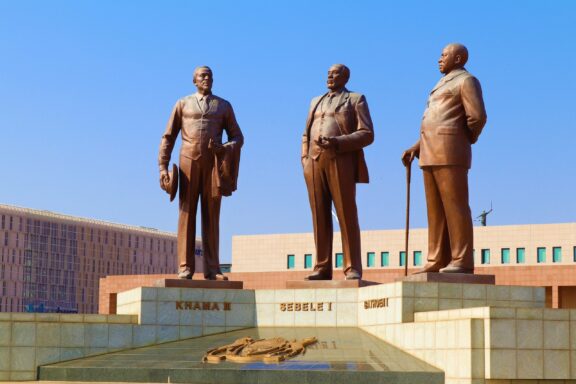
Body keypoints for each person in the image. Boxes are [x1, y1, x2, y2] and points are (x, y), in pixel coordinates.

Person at [402, 43, 487, 274]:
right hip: (429, 152)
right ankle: (436, 258)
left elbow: (477, 117)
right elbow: (436, 120)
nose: (439, 59)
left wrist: (462, 139)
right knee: (435, 210)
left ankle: (461, 259)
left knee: (455, 205)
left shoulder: (466, 81)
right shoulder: (441, 83)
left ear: (458, 59)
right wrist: (417, 147)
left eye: (444, 55)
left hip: (450, 150)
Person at [158, 66, 243, 280]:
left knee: (212, 216)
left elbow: (238, 137)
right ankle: (185, 266)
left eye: (210, 75)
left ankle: (212, 268)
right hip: (188, 162)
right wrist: (162, 166)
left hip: (213, 165)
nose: (207, 78)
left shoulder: (223, 105)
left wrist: (224, 148)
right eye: (202, 76)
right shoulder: (183, 103)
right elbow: (168, 136)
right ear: (194, 80)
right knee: (187, 214)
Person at [302, 64, 374, 280]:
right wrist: (304, 159)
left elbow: (367, 134)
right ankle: (322, 266)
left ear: (345, 77)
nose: (330, 76)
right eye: (328, 73)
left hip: (340, 160)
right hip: (314, 162)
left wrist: (337, 142)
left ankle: (352, 267)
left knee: (346, 214)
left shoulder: (355, 99)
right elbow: (304, 134)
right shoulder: (316, 101)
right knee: (319, 215)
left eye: (335, 73)